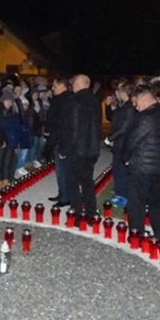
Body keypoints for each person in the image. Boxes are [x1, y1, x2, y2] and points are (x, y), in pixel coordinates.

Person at [123, 88, 160, 242]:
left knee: (136, 204)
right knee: (156, 203)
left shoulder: (144, 118)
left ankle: (136, 235)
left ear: (144, 102)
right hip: (158, 166)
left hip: (141, 166)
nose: (136, 108)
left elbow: (132, 140)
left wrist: (125, 157)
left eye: (137, 104)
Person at [62, 74, 101, 217]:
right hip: (91, 149)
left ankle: (77, 213)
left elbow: (72, 128)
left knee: (72, 183)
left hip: (76, 149)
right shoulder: (95, 101)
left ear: (78, 85)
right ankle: (91, 212)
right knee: (87, 183)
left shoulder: (74, 101)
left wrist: (65, 149)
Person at [104, 83, 134, 209]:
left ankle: (124, 196)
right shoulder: (122, 106)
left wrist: (110, 138)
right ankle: (119, 193)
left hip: (124, 143)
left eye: (119, 91)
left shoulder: (130, 108)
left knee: (122, 171)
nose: (117, 94)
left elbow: (124, 128)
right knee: (117, 169)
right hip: (118, 143)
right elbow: (112, 117)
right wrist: (109, 106)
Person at [44, 77, 71, 206]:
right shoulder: (60, 99)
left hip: (62, 139)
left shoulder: (65, 100)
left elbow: (61, 122)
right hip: (57, 138)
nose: (52, 88)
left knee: (62, 170)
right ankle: (63, 193)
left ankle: (65, 197)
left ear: (61, 85)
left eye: (54, 86)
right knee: (60, 170)